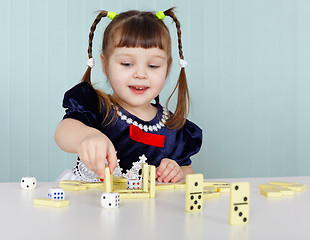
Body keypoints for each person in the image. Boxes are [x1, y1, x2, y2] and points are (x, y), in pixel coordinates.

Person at [54, 8, 202, 183]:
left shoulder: (174, 127)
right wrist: (86, 136)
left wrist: (177, 172)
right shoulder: (98, 106)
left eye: (153, 66)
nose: (140, 74)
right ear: (105, 64)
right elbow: (63, 133)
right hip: (95, 205)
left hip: (149, 208)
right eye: (126, 64)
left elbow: (188, 172)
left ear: (167, 67)